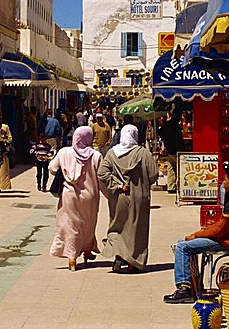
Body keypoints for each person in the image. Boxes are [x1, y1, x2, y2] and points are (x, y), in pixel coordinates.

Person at [98, 124, 158, 273]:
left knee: (117, 227)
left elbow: (102, 172)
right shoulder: (144, 153)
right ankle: (134, 262)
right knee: (137, 229)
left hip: (118, 197)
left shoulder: (112, 153)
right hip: (139, 197)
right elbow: (153, 175)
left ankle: (119, 254)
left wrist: (117, 184)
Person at [164, 175, 229, 304]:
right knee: (182, 241)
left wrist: (197, 234)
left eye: (226, 180)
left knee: (183, 246)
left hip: (225, 240)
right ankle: (194, 286)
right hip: (224, 237)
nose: (223, 182)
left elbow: (221, 229)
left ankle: (184, 289)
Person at [49, 126, 103, 271]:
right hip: (90, 197)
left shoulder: (64, 152)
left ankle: (72, 257)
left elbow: (52, 168)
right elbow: (101, 178)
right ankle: (87, 250)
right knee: (88, 224)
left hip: (69, 196)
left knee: (70, 225)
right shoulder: (96, 155)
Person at [160, 110, 184, 194]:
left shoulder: (166, 124)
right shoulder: (176, 126)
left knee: (171, 167)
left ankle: (171, 186)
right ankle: (180, 186)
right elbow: (179, 139)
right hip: (176, 149)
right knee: (179, 167)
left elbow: (161, 134)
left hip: (169, 149)